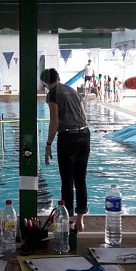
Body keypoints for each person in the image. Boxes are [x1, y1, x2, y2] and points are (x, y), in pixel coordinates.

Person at [41, 68, 90, 232]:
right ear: (59, 77)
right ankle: (80, 220)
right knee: (81, 179)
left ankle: (68, 220)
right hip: (84, 135)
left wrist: (48, 145)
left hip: (68, 138)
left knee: (67, 181)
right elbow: (84, 117)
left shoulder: (52, 93)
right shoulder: (74, 91)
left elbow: (54, 121)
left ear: (46, 83)